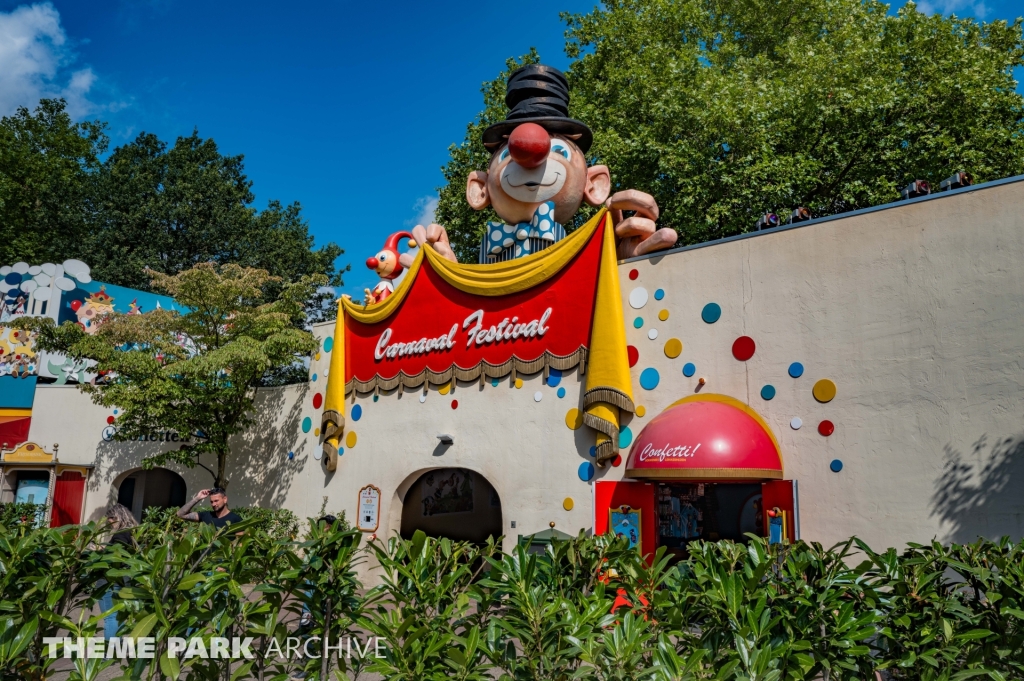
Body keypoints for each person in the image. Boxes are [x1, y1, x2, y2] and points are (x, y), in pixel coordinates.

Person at [99, 503, 138, 641]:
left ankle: (109, 653)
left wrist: (100, 552)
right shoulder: (133, 532)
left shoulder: (120, 534)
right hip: (125, 578)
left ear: (116, 517)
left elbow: (117, 554)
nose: (109, 523)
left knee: (111, 617)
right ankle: (116, 649)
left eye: (110, 519)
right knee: (119, 616)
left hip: (111, 579)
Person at [176, 487, 242, 528]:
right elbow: (180, 514)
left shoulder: (236, 519)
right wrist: (197, 498)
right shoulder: (206, 516)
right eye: (211, 502)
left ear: (225, 499)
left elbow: (240, 545)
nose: (213, 504)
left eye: (216, 501)